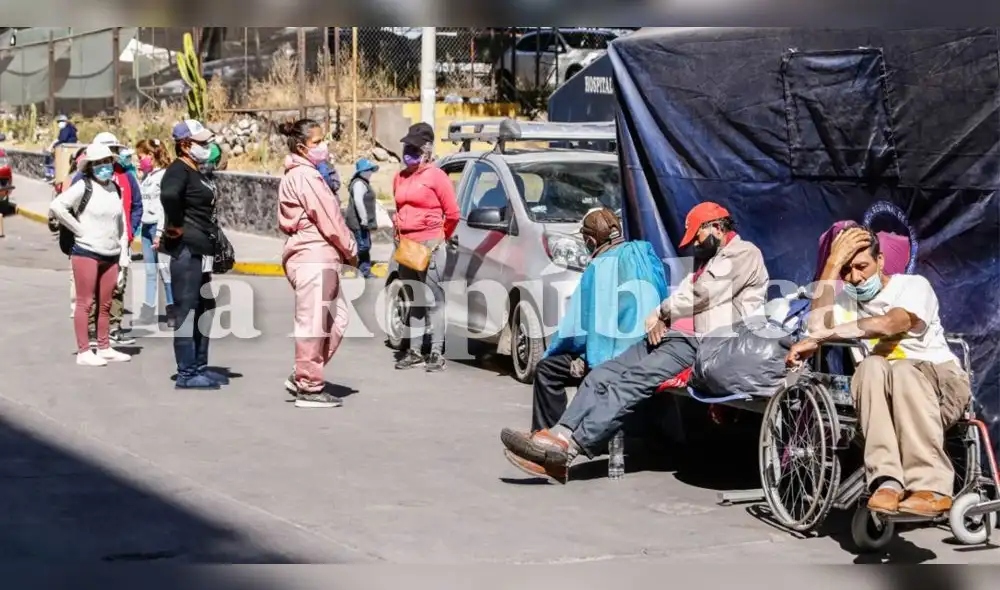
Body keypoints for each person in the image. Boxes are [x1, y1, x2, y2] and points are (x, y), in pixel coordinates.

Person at [501, 202, 769, 483]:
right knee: (603, 373)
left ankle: (567, 452)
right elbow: (686, 295)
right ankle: (558, 435)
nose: (696, 245)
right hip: (672, 336)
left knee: (630, 383)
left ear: (716, 226)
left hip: (701, 343)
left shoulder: (743, 253)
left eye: (698, 237)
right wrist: (662, 319)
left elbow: (700, 295)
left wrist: (662, 313)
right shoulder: (713, 259)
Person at [786, 226, 971, 518]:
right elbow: (817, 327)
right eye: (846, 270)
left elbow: (890, 324)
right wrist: (832, 264)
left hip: (938, 385)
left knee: (903, 371)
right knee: (871, 366)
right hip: (887, 392)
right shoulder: (847, 300)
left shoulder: (912, 286)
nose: (855, 277)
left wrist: (825, 336)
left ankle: (930, 487)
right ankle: (886, 482)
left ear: (880, 260)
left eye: (862, 267)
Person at [531, 208, 670, 432]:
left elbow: (575, 331)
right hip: (654, 350)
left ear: (590, 240)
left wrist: (552, 352)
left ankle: (547, 433)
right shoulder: (646, 253)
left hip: (613, 360)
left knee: (547, 370)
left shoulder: (597, 267)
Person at [277, 118, 358, 408]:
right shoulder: (305, 177)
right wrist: (351, 249)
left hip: (319, 253)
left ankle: (304, 373)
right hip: (312, 253)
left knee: (337, 319)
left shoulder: (305, 174)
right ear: (301, 147)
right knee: (313, 322)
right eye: (317, 142)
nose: (324, 146)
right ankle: (309, 387)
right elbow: (330, 218)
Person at [160, 119, 228, 390]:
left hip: (201, 250)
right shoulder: (178, 170)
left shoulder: (195, 170)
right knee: (187, 310)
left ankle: (199, 366)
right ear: (185, 145)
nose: (207, 146)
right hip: (186, 250)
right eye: (202, 143)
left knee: (203, 309)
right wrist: (175, 225)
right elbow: (169, 194)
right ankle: (186, 373)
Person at [49, 143, 131, 366]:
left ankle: (104, 347)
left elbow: (121, 223)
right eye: (99, 163)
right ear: (90, 166)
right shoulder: (83, 186)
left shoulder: (114, 188)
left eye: (108, 162)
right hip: (86, 251)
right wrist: (79, 229)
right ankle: (84, 351)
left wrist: (124, 255)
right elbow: (58, 206)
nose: (105, 166)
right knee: (86, 303)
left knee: (105, 303)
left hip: (111, 253)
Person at [391, 122, 460, 372]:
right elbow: (399, 209)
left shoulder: (436, 177)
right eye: (407, 147)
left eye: (415, 148)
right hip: (407, 247)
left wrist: (440, 238)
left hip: (430, 244)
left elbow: (452, 213)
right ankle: (414, 351)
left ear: (427, 150)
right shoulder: (399, 177)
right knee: (415, 300)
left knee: (435, 301)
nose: (409, 151)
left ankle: (436, 352)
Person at [73, 131, 143, 346]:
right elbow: (65, 206)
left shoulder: (125, 176)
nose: (109, 158)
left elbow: (137, 206)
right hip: (91, 243)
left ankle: (113, 327)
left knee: (117, 286)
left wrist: (130, 232)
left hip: (119, 241)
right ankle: (92, 332)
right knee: (91, 288)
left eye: (112, 152)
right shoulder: (82, 179)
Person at [134, 138, 175, 327]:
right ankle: (148, 309)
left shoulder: (163, 177)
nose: (138, 161)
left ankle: (172, 308)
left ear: (151, 156)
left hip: (159, 228)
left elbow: (163, 208)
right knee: (150, 270)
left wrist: (159, 232)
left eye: (140, 157)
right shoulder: (147, 177)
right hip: (146, 227)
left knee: (164, 269)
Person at [345, 158, 379, 279]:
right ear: (362, 171)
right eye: (368, 170)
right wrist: (364, 218)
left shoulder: (362, 183)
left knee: (364, 245)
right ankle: (362, 269)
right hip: (358, 222)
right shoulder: (359, 183)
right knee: (363, 246)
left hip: (361, 221)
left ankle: (361, 268)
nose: (370, 172)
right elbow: (359, 201)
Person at [45, 114, 78, 181]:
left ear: (65, 122)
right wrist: (52, 145)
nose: (59, 124)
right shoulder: (69, 128)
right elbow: (59, 139)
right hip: (68, 148)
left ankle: (52, 176)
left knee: (53, 161)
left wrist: (54, 146)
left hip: (65, 149)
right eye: (58, 122)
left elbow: (63, 139)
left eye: (60, 122)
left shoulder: (66, 129)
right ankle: (51, 175)